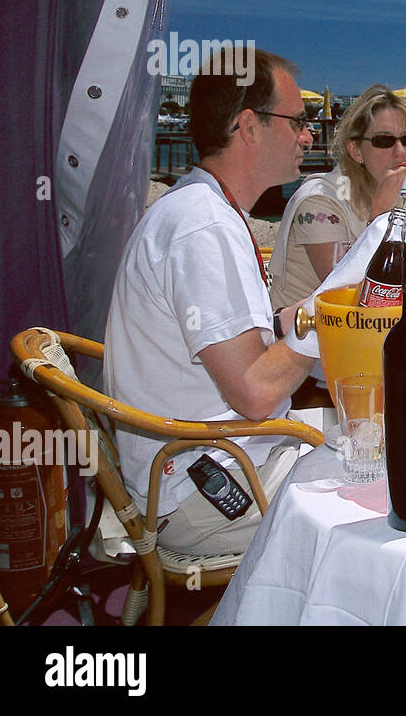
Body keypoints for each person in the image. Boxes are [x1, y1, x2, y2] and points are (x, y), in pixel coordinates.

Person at [104, 48, 322, 556]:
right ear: (249, 127)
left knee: (378, 435)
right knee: (392, 471)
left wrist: (281, 324)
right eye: (297, 122)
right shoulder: (203, 225)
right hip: (206, 491)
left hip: (210, 461)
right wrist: (322, 319)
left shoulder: (201, 207)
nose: (308, 136)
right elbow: (254, 392)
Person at [267, 85, 406, 309]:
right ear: (356, 150)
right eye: (384, 140)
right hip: (308, 333)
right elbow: (355, 295)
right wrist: (381, 217)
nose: (401, 151)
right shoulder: (318, 202)